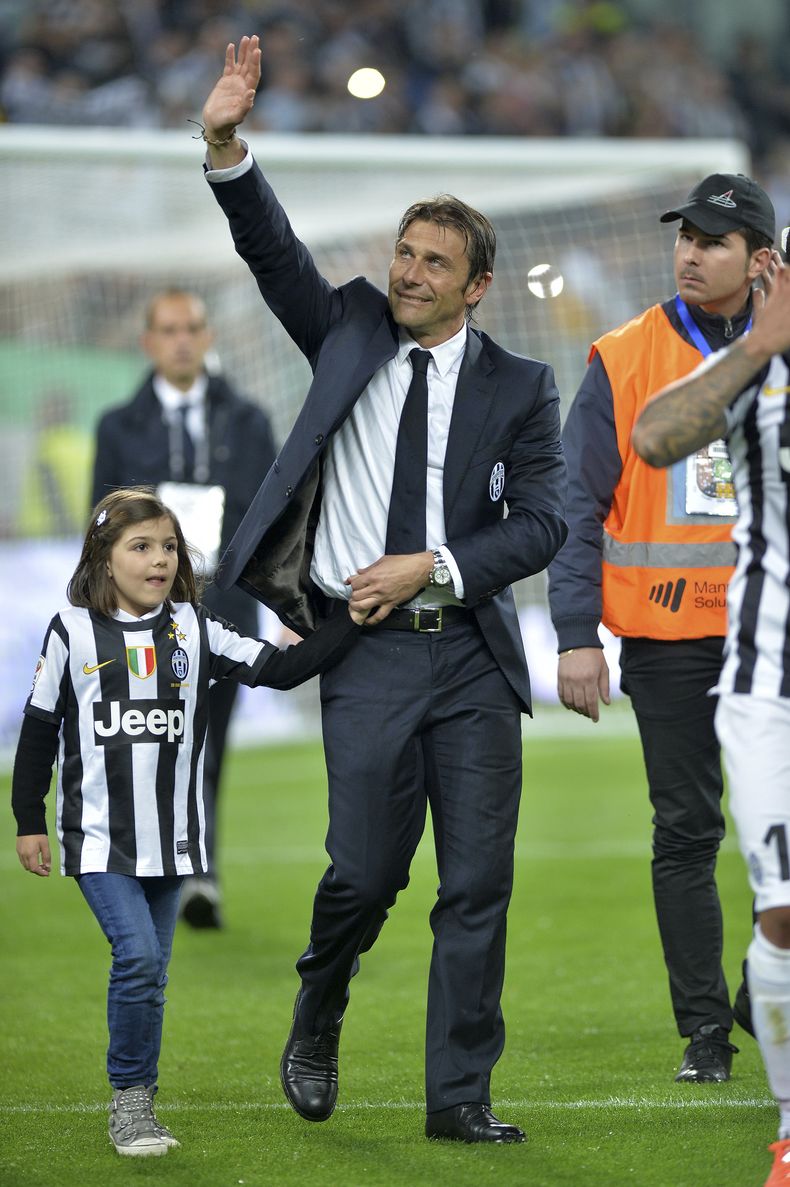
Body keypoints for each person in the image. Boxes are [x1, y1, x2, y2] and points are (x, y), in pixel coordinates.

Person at [197, 35, 567, 1144]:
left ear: (477, 284)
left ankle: (460, 1098)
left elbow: (544, 521)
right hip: (359, 650)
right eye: (404, 253)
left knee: (475, 887)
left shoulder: (522, 385)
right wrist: (225, 147)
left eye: (432, 263)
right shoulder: (349, 324)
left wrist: (440, 562)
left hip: (469, 655)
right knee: (361, 872)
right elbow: (274, 255)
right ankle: (319, 1003)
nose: (408, 273)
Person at [11, 487, 363, 1158]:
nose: (159, 559)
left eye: (168, 546)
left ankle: (138, 1096)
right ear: (103, 557)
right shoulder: (71, 632)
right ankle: (131, 1104)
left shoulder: (196, 628)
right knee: (137, 957)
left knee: (153, 971)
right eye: (140, 546)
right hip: (99, 841)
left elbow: (283, 669)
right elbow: (39, 730)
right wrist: (29, 817)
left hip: (176, 844)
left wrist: (353, 619)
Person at [546, 172, 777, 1081]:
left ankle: (760, 991)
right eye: (685, 235)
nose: (690, 250)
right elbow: (577, 501)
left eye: (713, 240)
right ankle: (707, 1034)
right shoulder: (623, 352)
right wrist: (574, 632)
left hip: (773, 633)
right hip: (668, 641)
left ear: (760, 259)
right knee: (686, 829)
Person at [632, 257, 790, 1187]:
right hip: (768, 682)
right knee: (781, 915)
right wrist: (762, 345)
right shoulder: (752, 371)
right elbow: (655, 437)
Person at [92, 289, 277, 929]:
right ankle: (150, 870)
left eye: (192, 328)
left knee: (207, 745)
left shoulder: (249, 422)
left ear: (208, 336)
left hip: (219, 615)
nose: (180, 340)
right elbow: (101, 527)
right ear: (148, 341)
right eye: (168, 329)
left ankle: (201, 871)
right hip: (137, 621)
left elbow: (266, 522)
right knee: (144, 746)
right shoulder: (117, 428)